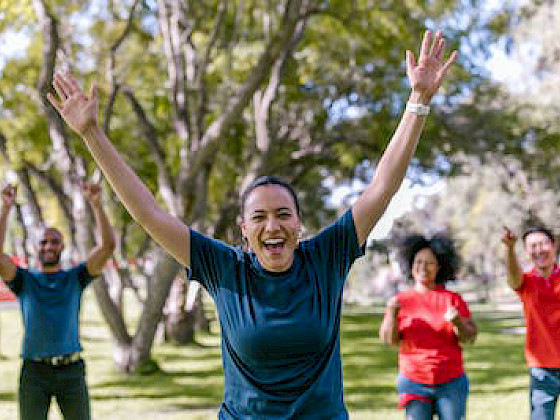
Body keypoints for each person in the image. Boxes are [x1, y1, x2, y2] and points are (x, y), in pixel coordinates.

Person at [48, 29, 457, 418]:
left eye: (283, 214)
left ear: (299, 224)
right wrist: (91, 134)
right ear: (243, 229)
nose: (272, 226)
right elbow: (147, 213)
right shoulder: (224, 268)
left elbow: (382, 185)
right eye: (258, 217)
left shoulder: (326, 258)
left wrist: (418, 100)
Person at [0, 182, 116, 420]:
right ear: (36, 248)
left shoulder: (75, 278)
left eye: (54, 241)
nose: (49, 246)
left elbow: (107, 247)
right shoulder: (24, 280)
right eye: (44, 242)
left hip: (71, 371)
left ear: (62, 247)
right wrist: (6, 208)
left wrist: (97, 205)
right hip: (34, 371)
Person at [379, 234, 477, 420]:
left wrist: (457, 322)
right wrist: (392, 314)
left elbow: (470, 337)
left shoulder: (452, 299)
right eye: (418, 262)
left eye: (430, 262)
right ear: (411, 264)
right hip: (413, 381)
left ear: (439, 266)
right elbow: (389, 340)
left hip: (450, 381)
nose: (423, 267)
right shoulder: (400, 301)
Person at [502, 225, 560, 420]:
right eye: (532, 246)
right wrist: (509, 248)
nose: (539, 250)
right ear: (527, 252)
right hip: (542, 368)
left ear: (554, 245)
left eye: (543, 244)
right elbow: (512, 278)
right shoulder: (526, 282)